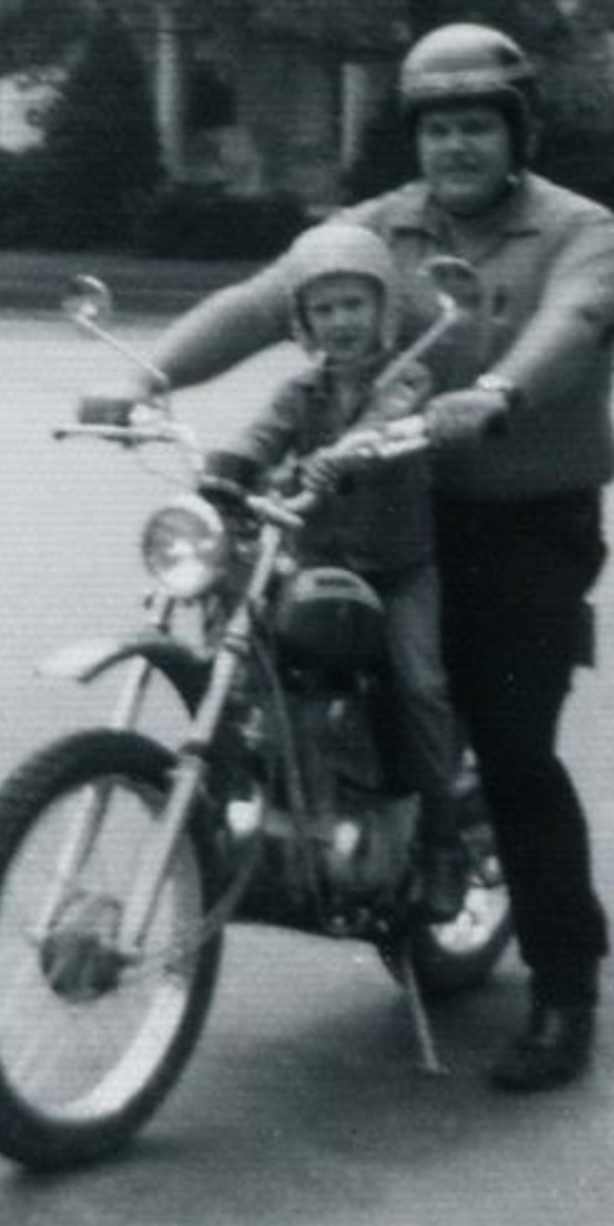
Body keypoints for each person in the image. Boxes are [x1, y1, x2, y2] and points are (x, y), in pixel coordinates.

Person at [85, 22, 614, 1092]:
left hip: (524, 521)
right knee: (281, 663)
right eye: (438, 127)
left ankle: (565, 986)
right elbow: (261, 303)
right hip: (380, 505)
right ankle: (337, 845)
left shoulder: (580, 230)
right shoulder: (379, 229)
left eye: (477, 125)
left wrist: (499, 391)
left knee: (513, 750)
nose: (455, 146)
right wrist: (148, 376)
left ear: (516, 132)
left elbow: (575, 321)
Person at [213, 219, 467, 923]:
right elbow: (263, 432)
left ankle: (442, 842)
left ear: (383, 308)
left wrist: (351, 448)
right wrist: (227, 467)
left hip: (397, 573)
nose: (340, 321)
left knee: (421, 686)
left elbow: (389, 417)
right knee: (250, 664)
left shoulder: (408, 374)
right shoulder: (302, 391)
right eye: (323, 309)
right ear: (304, 322)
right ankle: (272, 815)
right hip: (318, 567)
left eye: (354, 303)